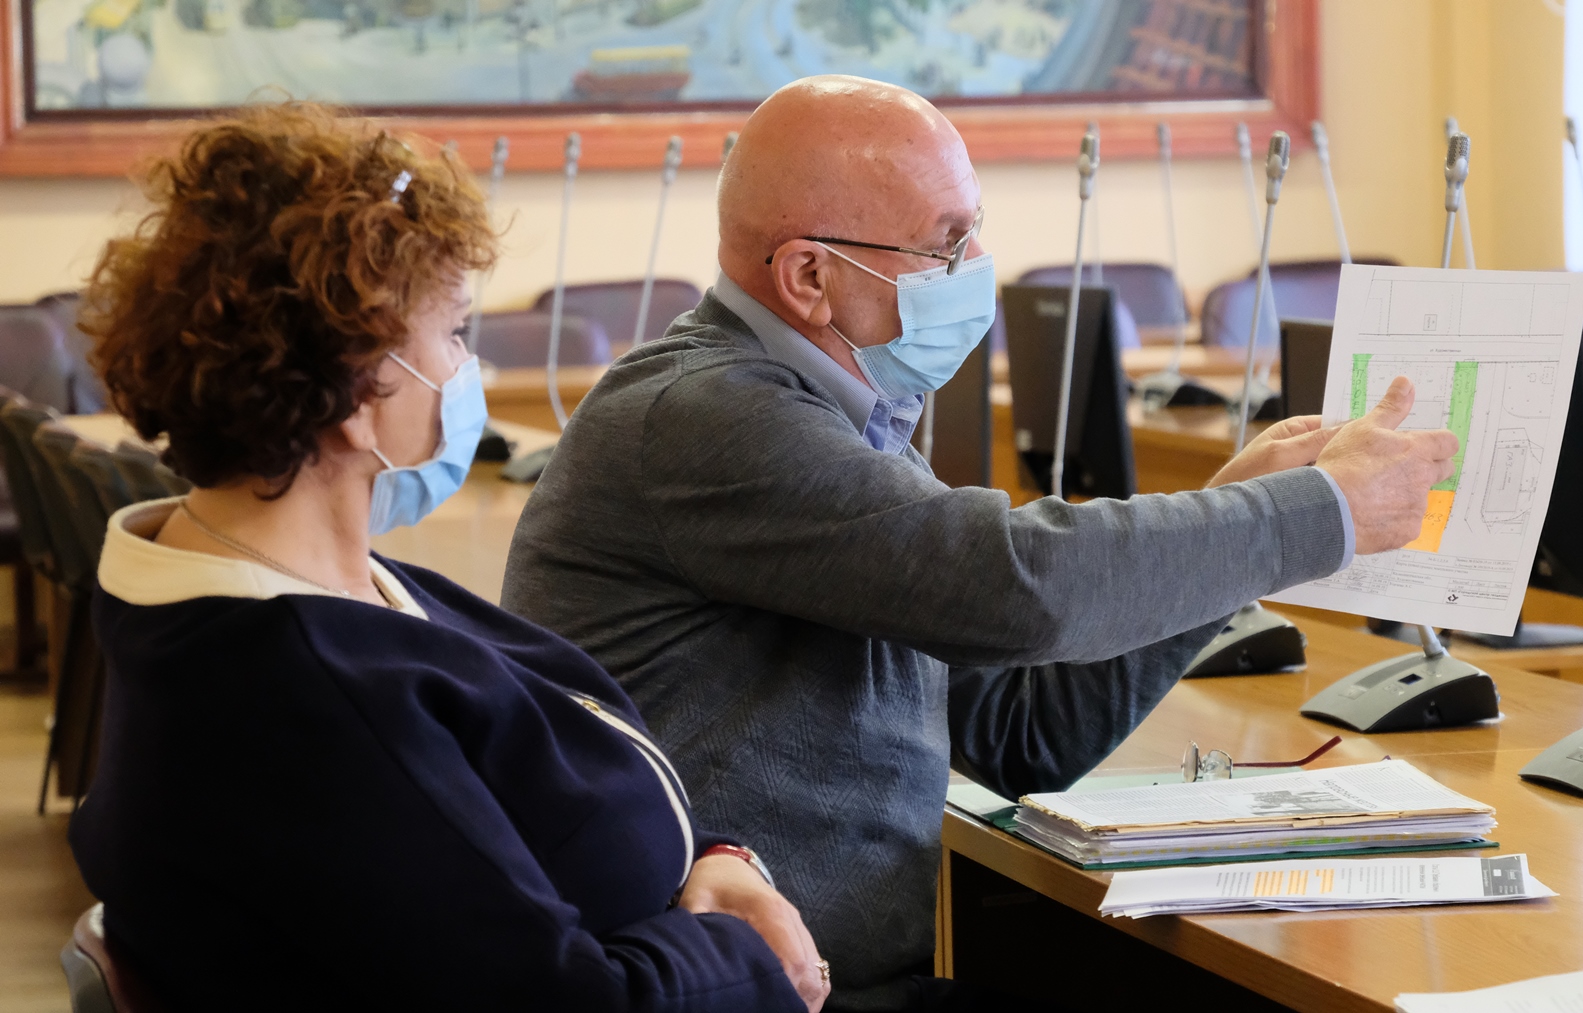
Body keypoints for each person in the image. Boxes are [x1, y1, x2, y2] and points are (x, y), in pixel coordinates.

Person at [502, 76, 1456, 1011]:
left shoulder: (851, 413)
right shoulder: (708, 415)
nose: (978, 265)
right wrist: (1314, 513)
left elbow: (1025, 731)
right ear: (808, 277)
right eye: (946, 243)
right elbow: (1023, 584)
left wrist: (1233, 518)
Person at [66, 103, 827, 1013]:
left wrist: (717, 858)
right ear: (360, 388)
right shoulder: (303, 692)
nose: (468, 369)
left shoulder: (317, 587)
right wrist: (741, 948)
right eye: (456, 333)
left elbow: (576, 753)